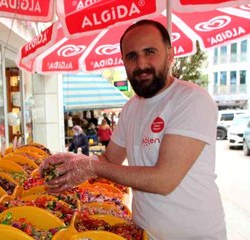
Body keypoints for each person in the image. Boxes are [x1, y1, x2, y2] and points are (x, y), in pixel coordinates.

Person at [39, 20, 226, 239]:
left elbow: (164, 180)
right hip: (142, 231)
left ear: (170, 54)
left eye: (150, 52)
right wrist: (72, 161)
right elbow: (111, 159)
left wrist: (90, 167)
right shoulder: (131, 107)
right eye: (132, 56)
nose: (141, 64)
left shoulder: (191, 99)